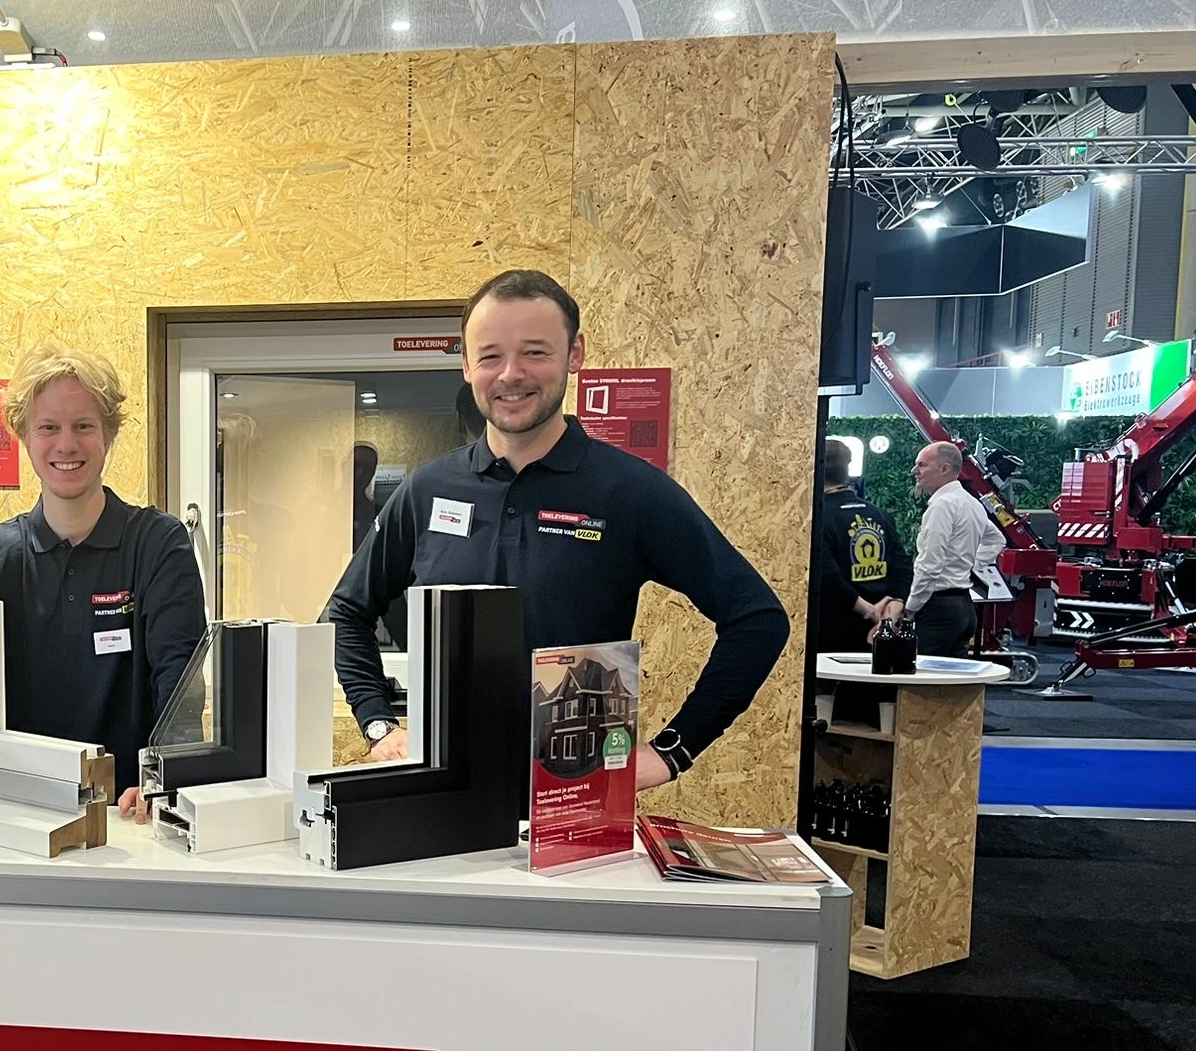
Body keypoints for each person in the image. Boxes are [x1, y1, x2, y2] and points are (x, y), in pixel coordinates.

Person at [323, 269, 790, 789]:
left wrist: (672, 751)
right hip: (440, 793)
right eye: (490, 356)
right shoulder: (427, 490)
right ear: (467, 365)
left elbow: (758, 619)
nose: (511, 374)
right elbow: (346, 612)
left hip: (576, 799)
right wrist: (379, 723)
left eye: (535, 352)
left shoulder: (630, 492)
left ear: (575, 354)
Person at [0, 344, 206, 820]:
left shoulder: (158, 545)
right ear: (24, 436)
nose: (66, 445)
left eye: (84, 426)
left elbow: (180, 683)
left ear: (108, 435)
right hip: (21, 812)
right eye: (48, 427)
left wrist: (162, 778)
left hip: (129, 812)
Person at [898, 439, 1005, 656]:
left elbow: (929, 565)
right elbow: (997, 540)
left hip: (938, 611)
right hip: (964, 607)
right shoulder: (971, 503)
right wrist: (968, 564)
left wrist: (910, 608)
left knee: (923, 675)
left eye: (921, 465)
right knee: (955, 675)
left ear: (945, 469)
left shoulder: (942, 505)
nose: (914, 471)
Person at [812, 438, 910, 653]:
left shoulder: (817, 519)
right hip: (879, 630)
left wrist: (869, 611)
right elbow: (903, 566)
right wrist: (890, 611)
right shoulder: (880, 515)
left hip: (833, 629)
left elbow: (828, 576)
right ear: (847, 469)